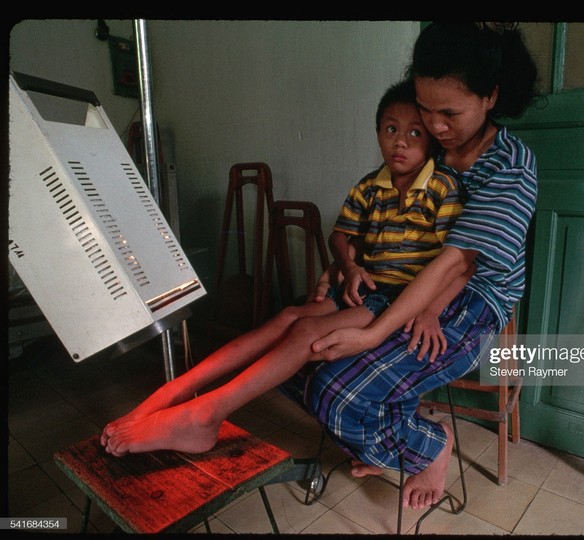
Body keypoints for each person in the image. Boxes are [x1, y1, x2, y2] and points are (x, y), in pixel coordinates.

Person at [100, 79, 470, 457]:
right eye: (391, 129)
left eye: (414, 133)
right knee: (288, 316)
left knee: (306, 330)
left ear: (432, 141)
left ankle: (206, 414)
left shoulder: (442, 187)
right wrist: (348, 266)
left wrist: (429, 309)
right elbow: (341, 237)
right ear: (377, 132)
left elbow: (455, 264)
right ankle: (174, 391)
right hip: (366, 288)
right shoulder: (370, 186)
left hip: (397, 300)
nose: (400, 142)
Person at [293, 22, 540, 510]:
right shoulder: (432, 152)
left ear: (490, 96)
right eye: (426, 110)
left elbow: (456, 264)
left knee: (336, 393)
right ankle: (380, 439)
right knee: (298, 355)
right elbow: (383, 221)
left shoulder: (510, 167)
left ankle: (428, 446)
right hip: (412, 281)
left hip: (475, 297)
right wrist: (344, 265)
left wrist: (388, 326)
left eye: (449, 112)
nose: (435, 125)